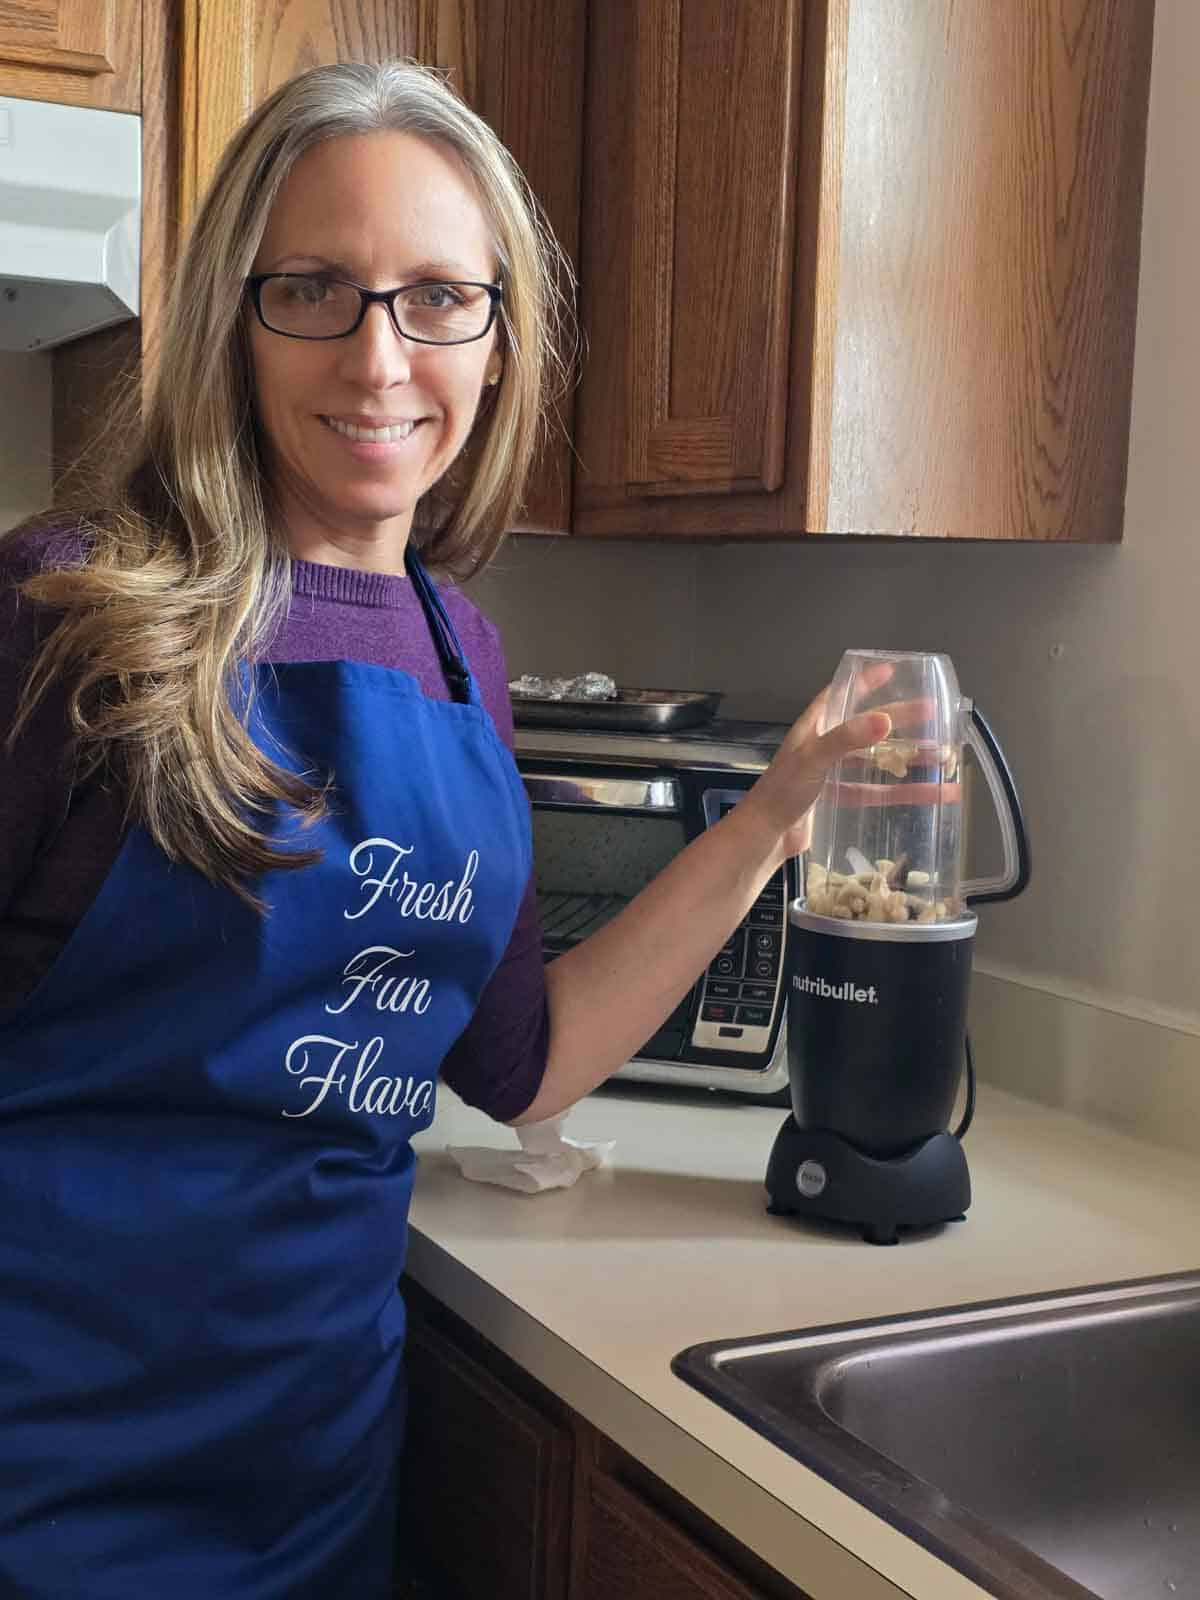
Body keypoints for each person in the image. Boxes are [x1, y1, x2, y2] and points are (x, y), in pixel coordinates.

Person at [0, 60, 890, 1599]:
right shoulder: (70, 609)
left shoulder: (462, 656)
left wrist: (773, 815)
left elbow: (520, 1064)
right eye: (316, 292)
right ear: (234, 315)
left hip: (312, 1462)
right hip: (41, 1453)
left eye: (434, 298)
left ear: (498, 338)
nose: (378, 355)